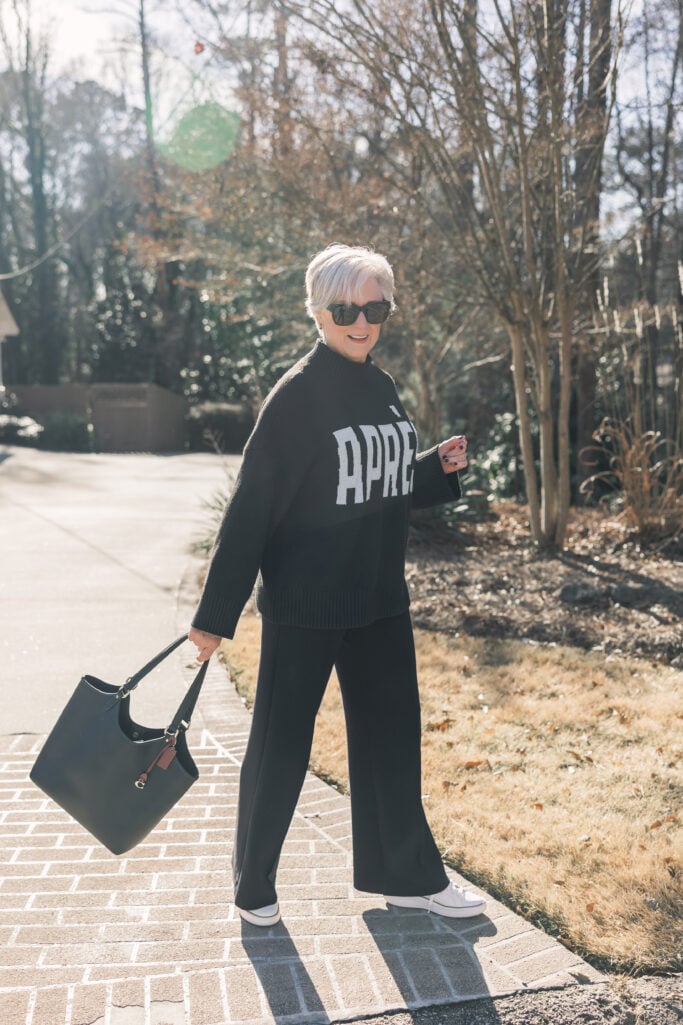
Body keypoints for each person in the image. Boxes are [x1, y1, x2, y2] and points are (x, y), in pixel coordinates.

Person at [189, 243, 486, 927]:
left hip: (378, 598)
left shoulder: (379, 385)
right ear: (317, 311)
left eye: (373, 307)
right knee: (280, 744)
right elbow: (252, 509)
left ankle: (406, 877)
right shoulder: (296, 397)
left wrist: (431, 469)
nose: (360, 321)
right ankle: (253, 884)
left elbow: (371, 482)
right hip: (306, 604)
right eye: (345, 309)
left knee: (391, 742)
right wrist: (215, 616)